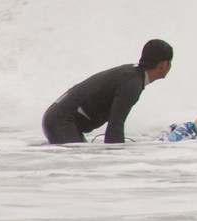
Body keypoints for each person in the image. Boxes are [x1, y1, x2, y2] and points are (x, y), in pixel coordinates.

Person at [42, 39, 174, 144]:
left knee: (83, 162)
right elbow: (114, 127)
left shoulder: (132, 76)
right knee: (78, 164)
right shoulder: (132, 83)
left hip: (60, 118)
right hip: (62, 120)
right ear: (164, 64)